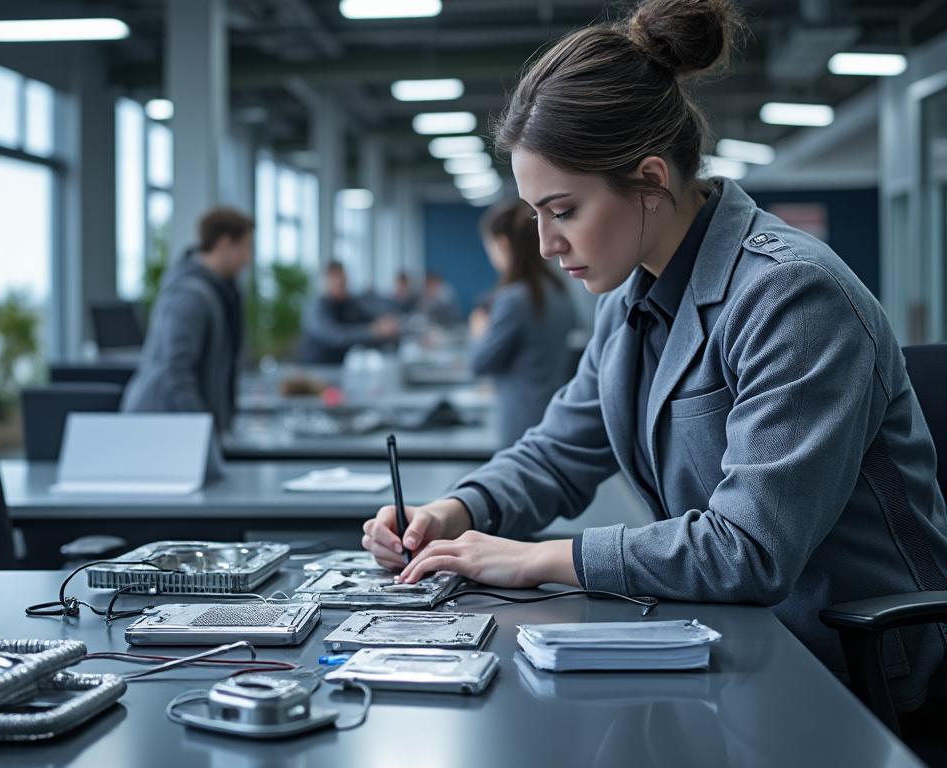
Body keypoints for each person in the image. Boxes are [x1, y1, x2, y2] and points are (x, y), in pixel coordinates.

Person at [363, 0, 947, 714]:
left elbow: (748, 549)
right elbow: (558, 453)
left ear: (649, 182)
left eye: (564, 210)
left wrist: (538, 558)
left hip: (851, 673)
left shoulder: (794, 296)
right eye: (535, 215)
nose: (546, 245)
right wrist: (457, 510)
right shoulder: (630, 299)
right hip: (729, 639)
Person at [122, 206, 252, 436]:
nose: (248, 258)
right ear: (224, 244)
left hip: (177, 427)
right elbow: (178, 374)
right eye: (245, 247)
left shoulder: (218, 291)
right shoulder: (190, 296)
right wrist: (200, 434)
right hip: (160, 430)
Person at [470, 200, 577, 447]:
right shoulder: (558, 290)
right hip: (552, 416)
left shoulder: (513, 299)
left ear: (502, 244)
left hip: (521, 423)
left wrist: (479, 331)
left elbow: (480, 364)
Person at [297, 261, 399, 364]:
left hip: (338, 368)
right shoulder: (316, 307)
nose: (342, 285)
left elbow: (369, 317)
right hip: (313, 369)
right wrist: (373, 331)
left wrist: (385, 324)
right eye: (338, 282)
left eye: (344, 281)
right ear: (327, 281)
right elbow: (336, 336)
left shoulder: (347, 303)